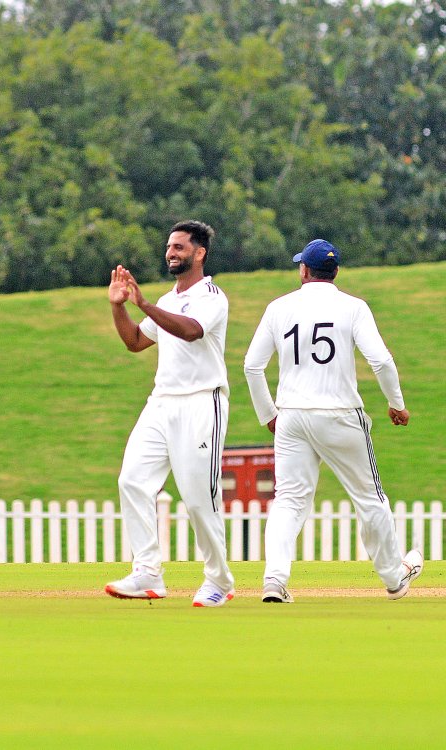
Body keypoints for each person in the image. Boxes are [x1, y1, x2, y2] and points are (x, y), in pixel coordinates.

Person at [243, 239, 423, 603]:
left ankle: (275, 580)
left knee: (289, 501)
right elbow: (382, 362)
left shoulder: (279, 308)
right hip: (341, 414)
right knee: (369, 498)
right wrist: (396, 404)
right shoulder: (352, 307)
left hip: (292, 415)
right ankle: (393, 577)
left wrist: (269, 415)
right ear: (335, 272)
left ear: (304, 271)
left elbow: (252, 366)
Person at [105, 220, 235, 607]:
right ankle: (148, 572)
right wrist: (118, 307)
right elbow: (134, 342)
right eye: (169, 246)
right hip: (161, 402)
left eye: (179, 247)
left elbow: (192, 331)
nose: (171, 253)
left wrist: (142, 303)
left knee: (198, 499)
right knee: (132, 480)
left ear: (199, 254)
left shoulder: (212, 296)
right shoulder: (166, 301)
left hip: (202, 402)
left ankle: (219, 580)